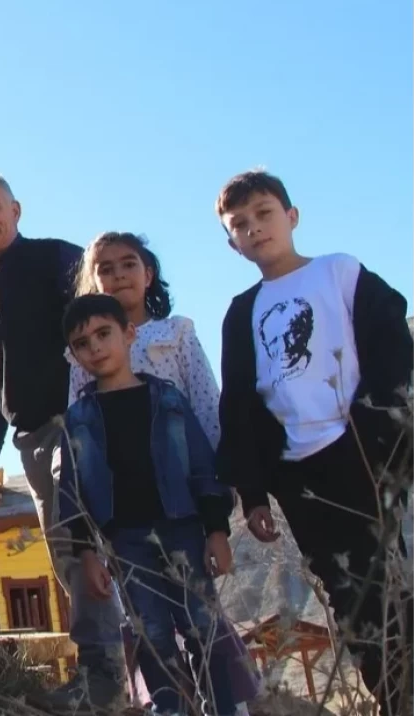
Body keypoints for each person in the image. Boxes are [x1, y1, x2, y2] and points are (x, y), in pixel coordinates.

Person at [213, 169, 414, 715]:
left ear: (291, 216)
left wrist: (378, 435)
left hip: (365, 458)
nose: (255, 228)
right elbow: (240, 405)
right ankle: (393, 700)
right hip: (301, 474)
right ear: (232, 242)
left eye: (264, 213)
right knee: (347, 597)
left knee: (392, 586)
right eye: (241, 224)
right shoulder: (241, 313)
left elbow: (393, 348)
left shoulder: (338, 273)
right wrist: (253, 491)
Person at [69, 232, 260, 712]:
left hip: (182, 521)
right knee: (149, 630)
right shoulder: (81, 414)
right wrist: (87, 548)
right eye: (82, 343)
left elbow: (204, 437)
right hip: (124, 536)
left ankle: (226, 706)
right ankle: (170, 707)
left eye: (127, 264)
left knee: (203, 620)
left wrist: (217, 521)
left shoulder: (170, 388)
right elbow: (74, 479)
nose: (95, 348)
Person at [0, 173, 126, 711]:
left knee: (88, 553)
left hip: (79, 423)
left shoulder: (60, 260)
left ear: (16, 209)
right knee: (66, 558)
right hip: (28, 438)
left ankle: (101, 681)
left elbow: (109, 327)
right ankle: (119, 670)